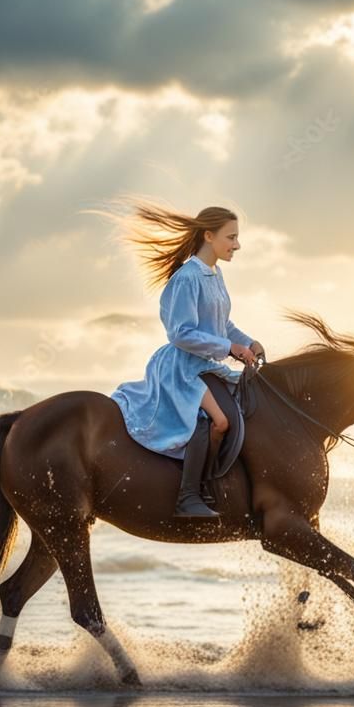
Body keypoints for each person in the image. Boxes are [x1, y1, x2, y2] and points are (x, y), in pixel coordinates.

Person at [107, 200, 266, 518]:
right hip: (182, 367)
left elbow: (222, 324)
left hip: (204, 364)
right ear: (208, 236)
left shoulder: (214, 274)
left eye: (237, 237)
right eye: (230, 237)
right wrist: (229, 348)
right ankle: (188, 496)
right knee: (218, 420)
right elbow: (180, 333)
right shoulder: (187, 278)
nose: (237, 244)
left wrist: (248, 342)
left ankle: (214, 486)